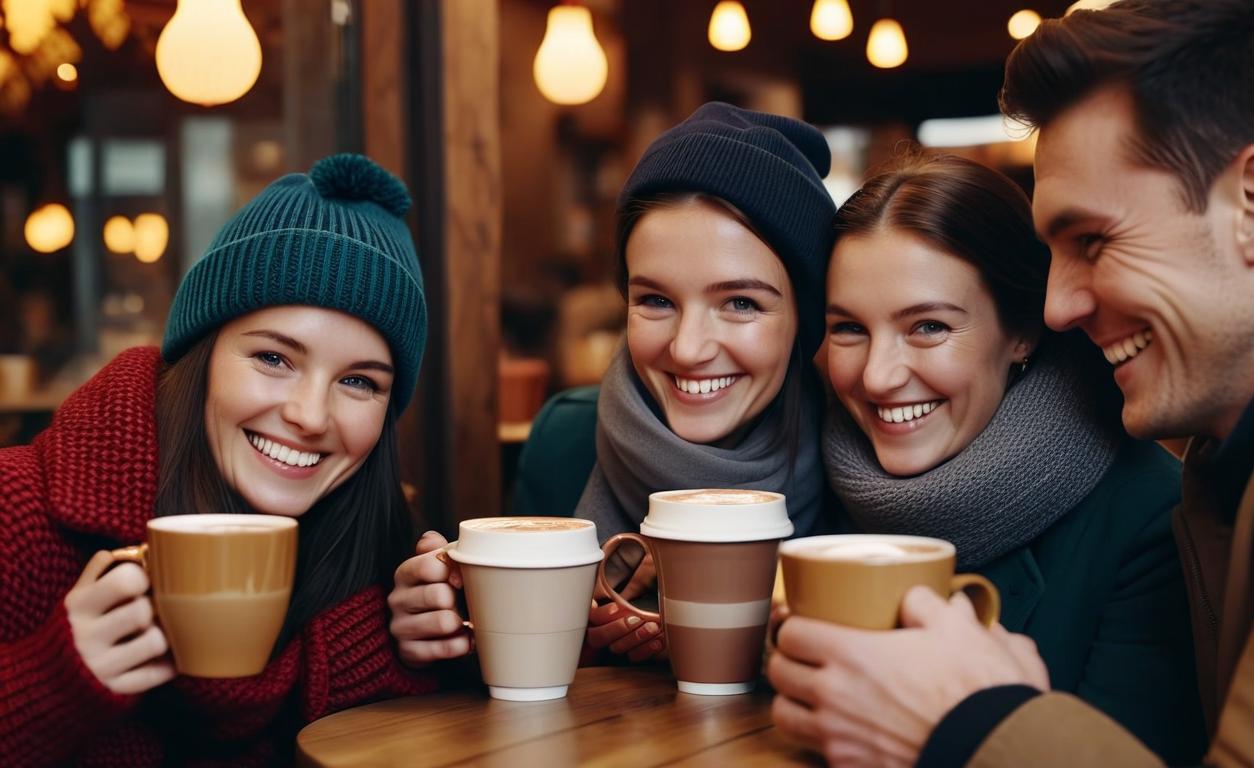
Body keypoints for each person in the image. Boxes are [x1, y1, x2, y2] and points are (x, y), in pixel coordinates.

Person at [766, 1, 1254, 765]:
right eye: (848, 326)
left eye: (1093, 240)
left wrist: (973, 718)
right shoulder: (1236, 455)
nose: (1060, 304)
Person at [0, 154, 439, 766]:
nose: (310, 416)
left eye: (360, 382)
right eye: (274, 359)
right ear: (202, 357)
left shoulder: (370, 563)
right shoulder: (19, 513)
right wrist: (52, 682)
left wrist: (438, 645)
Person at [814, 149, 1204, 763]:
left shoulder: (1149, 519)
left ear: (1022, 331)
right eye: (848, 329)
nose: (879, 376)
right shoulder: (806, 482)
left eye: (928, 327)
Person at [502, 102, 837, 663]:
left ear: (806, 317)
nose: (687, 348)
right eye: (656, 300)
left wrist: (735, 607)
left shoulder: (856, 462)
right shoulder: (563, 441)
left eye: (739, 303)